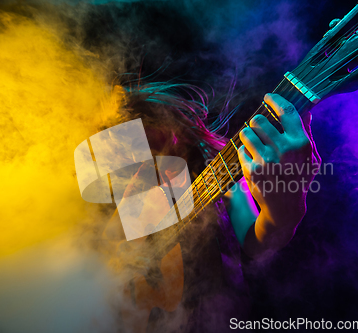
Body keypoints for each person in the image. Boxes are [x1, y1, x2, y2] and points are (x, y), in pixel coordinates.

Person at [101, 82, 321, 332]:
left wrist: (283, 212)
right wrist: (127, 257)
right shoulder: (135, 187)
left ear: (170, 128)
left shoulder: (215, 169)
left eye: (148, 145)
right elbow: (111, 244)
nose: (138, 161)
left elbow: (257, 241)